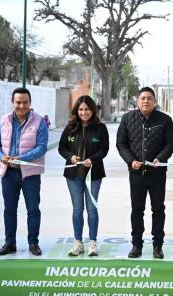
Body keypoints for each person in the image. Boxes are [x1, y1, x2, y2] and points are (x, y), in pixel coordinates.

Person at [116, 86, 173, 259]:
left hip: (157, 174)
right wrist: (130, 160)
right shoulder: (128, 119)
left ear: (155, 101)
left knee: (158, 210)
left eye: (149, 98)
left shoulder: (165, 120)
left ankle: (158, 246)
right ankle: (136, 245)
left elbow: (170, 143)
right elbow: (121, 143)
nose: (146, 101)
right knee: (137, 210)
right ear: (137, 101)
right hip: (136, 174)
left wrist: (160, 158)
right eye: (143, 98)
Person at [0, 87, 49, 256]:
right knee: (9, 209)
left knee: (33, 209)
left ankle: (33, 243)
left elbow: (42, 147)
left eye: (25, 102)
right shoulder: (3, 120)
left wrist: (23, 157)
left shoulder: (39, 121)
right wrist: (2, 156)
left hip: (30, 174)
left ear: (30, 103)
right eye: (18, 102)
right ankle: (10, 243)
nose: (21, 105)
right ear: (12, 103)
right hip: (8, 174)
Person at [58, 95, 109, 256]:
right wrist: (70, 157)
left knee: (92, 209)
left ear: (93, 110)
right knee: (77, 209)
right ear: (76, 110)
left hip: (93, 174)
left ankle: (92, 243)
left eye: (86, 109)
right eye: (80, 109)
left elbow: (104, 149)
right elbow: (62, 148)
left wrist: (92, 160)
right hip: (74, 174)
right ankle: (78, 243)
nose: (83, 112)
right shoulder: (70, 127)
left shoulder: (100, 128)